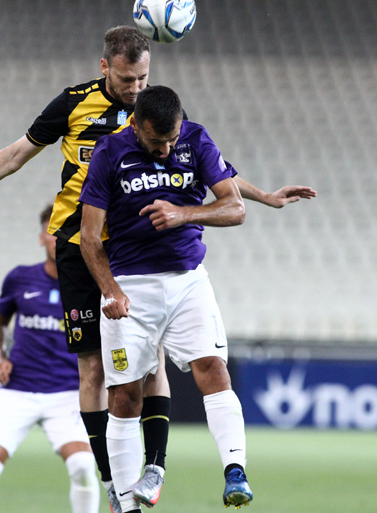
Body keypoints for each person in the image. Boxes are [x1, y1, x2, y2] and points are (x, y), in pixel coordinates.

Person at [0, 25, 314, 512]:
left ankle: (154, 466)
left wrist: (265, 196)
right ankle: (112, 480)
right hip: (79, 241)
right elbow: (19, 152)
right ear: (106, 67)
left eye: (143, 78)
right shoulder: (74, 104)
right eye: (127, 79)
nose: (136, 87)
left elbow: (209, 168)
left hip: (137, 247)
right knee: (93, 369)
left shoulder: (158, 115)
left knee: (154, 360)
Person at [79, 85, 263, 512]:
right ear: (136, 126)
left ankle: (235, 471)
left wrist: (185, 213)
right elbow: (89, 237)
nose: (165, 149)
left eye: (171, 139)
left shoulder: (196, 139)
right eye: (155, 141)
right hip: (131, 286)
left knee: (213, 368)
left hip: (187, 281)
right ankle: (127, 505)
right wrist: (110, 290)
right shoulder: (109, 152)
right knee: (124, 395)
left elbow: (235, 208)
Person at [0, 204, 98, 513]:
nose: (58, 237)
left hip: (68, 393)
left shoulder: (89, 282)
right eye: (52, 231)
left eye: (66, 230)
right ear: (41, 237)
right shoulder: (20, 278)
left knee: (84, 467)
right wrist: (0, 357)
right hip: (18, 390)